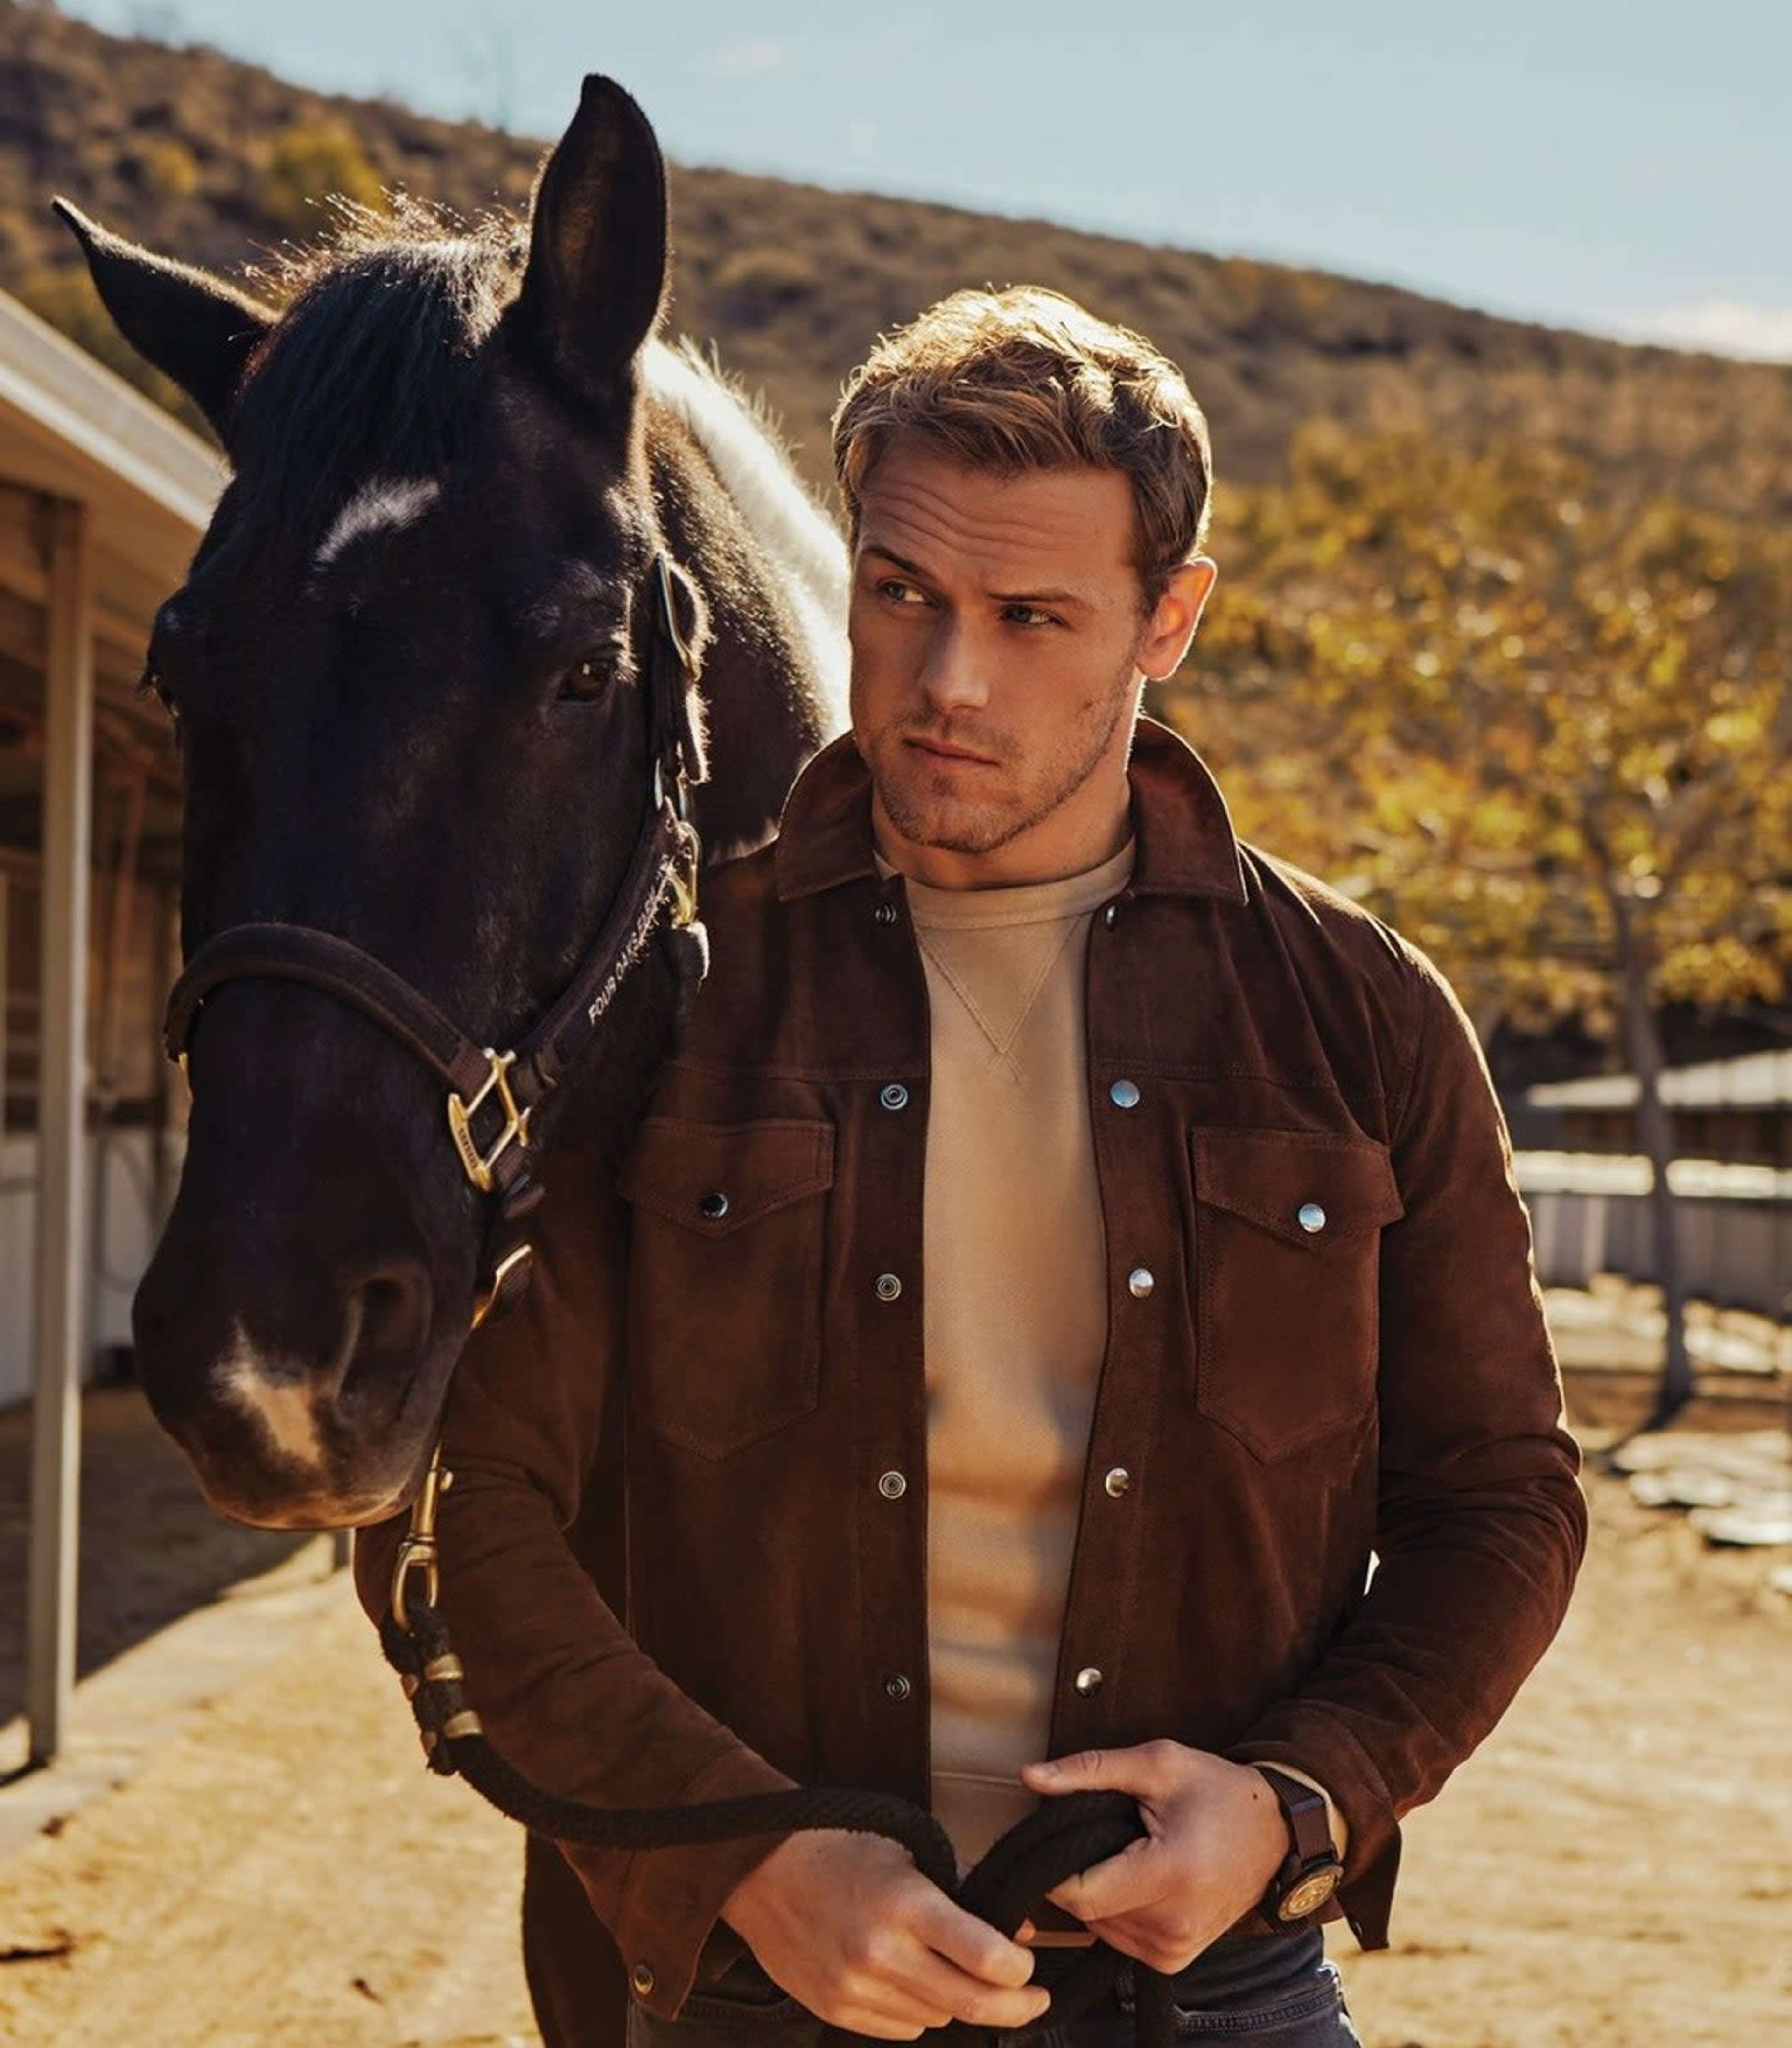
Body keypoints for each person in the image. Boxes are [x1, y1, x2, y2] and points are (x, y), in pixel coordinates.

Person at [356, 286, 1588, 2048]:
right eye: (902, 596)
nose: (947, 684)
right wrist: (751, 1861)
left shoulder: (1357, 1015)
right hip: (768, 1988)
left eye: (1031, 617)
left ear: (1169, 621)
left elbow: (1504, 1496)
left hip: (1214, 1989)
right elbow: (484, 1500)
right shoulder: (676, 1004)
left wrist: (1297, 1807)